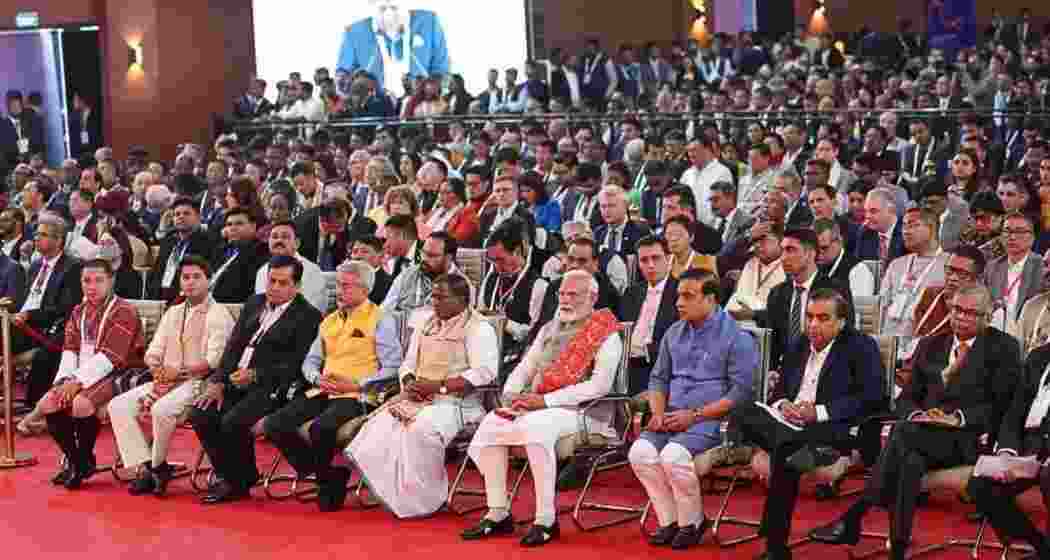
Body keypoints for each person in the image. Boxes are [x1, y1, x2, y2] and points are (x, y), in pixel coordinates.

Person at [809, 285, 1021, 560]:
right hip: (920, 435)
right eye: (957, 310)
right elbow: (907, 398)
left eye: (972, 313)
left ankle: (856, 515)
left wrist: (957, 418)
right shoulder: (931, 344)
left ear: (988, 315)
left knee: (903, 435)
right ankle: (898, 546)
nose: (962, 318)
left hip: (968, 437)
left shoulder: (1003, 347)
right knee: (909, 457)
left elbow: (1003, 406)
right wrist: (918, 415)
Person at [460, 270, 623, 546]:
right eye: (562, 294)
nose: (565, 300)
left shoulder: (605, 332)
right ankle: (498, 512)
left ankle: (545, 520)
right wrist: (511, 394)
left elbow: (599, 387)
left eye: (573, 294)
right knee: (492, 423)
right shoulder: (550, 328)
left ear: (592, 297)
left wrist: (546, 401)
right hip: (538, 406)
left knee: (537, 428)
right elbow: (526, 367)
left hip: (585, 413)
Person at [730, 289, 884, 560]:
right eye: (809, 317)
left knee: (786, 456)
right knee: (743, 411)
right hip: (787, 426)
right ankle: (799, 448)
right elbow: (780, 392)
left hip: (828, 426)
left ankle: (776, 547)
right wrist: (783, 405)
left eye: (823, 318)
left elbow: (872, 398)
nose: (813, 324)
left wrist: (819, 412)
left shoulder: (861, 346)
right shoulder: (800, 343)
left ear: (841, 322)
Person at [349, 273, 499, 518]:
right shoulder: (426, 323)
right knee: (380, 427)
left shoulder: (479, 328)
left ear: (462, 299)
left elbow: (484, 374)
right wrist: (409, 382)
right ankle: (401, 495)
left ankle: (430, 499)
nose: (435, 302)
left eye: (441, 297)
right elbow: (407, 363)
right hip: (418, 397)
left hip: (457, 404)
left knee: (420, 429)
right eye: (433, 297)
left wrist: (438, 387)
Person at [629, 269, 758, 549]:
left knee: (673, 456)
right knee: (639, 453)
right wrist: (659, 413)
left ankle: (692, 522)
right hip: (672, 415)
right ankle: (669, 521)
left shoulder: (737, 337)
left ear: (711, 299)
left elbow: (740, 393)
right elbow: (658, 378)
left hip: (713, 420)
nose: (678, 303)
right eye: (678, 296)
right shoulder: (674, 332)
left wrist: (696, 415)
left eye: (688, 296)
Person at [263, 260, 398, 511]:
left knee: (321, 428)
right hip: (322, 389)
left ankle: (325, 480)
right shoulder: (329, 320)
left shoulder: (380, 318)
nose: (339, 291)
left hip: (357, 395)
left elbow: (393, 367)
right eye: (337, 285)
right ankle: (325, 475)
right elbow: (310, 361)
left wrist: (357, 383)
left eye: (346, 286)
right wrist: (315, 377)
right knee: (274, 425)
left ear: (365, 290)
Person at [189, 256, 323, 504]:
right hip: (234, 379)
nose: (274, 287)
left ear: (297, 286)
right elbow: (233, 346)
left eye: (283, 283)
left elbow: (295, 365)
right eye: (271, 280)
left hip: (272, 386)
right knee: (200, 413)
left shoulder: (309, 316)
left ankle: (236, 482)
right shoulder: (255, 302)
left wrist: (256, 375)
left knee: (232, 421)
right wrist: (218, 381)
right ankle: (234, 474)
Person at [108, 256, 235, 496]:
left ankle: (156, 468)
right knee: (118, 406)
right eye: (186, 277)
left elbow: (215, 360)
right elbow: (154, 350)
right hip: (165, 379)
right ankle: (149, 467)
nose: (190, 282)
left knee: (161, 410)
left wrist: (180, 372)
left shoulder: (219, 314)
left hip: (198, 382)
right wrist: (156, 368)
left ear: (209, 281)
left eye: (197, 277)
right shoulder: (173, 312)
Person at [40, 259, 145, 490]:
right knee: (49, 402)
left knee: (80, 404)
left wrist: (76, 383)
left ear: (111, 281)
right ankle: (79, 462)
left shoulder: (124, 310)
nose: (92, 286)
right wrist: (65, 380)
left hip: (120, 371)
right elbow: (70, 348)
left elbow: (112, 357)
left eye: (99, 280)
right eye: (86, 281)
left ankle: (81, 461)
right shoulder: (79, 311)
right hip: (83, 373)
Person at [966, 339, 1050, 558]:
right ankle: (1039, 545)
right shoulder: (1038, 357)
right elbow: (1014, 413)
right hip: (1025, 446)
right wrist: (1007, 453)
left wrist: (1043, 457)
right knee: (980, 484)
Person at [759, 228, 852, 371]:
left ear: (810, 254)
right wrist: (770, 373)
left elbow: (845, 338)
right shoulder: (777, 294)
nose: (783, 258)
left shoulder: (835, 290)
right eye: (782, 250)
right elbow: (773, 346)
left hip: (825, 369)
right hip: (785, 372)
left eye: (790, 250)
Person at [336, 0, 450, 96]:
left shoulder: (429, 23)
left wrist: (431, 90)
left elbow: (442, 70)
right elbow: (343, 78)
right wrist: (346, 82)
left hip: (420, 107)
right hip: (375, 110)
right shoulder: (354, 33)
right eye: (382, 8)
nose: (389, 14)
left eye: (394, 8)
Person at [479, 218, 548, 374]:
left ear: (517, 251)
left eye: (500, 260)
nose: (496, 266)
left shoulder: (538, 286)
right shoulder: (490, 280)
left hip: (518, 362)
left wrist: (505, 324)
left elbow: (536, 336)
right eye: (492, 261)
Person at [620, 235, 680, 395]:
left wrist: (645, 350)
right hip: (625, 364)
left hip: (660, 367)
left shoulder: (681, 292)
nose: (650, 265)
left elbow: (682, 340)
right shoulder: (631, 292)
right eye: (644, 260)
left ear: (669, 258)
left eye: (656, 258)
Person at [879, 208, 948, 335]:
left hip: (924, 344)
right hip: (889, 342)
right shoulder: (896, 265)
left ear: (931, 229)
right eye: (904, 226)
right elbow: (881, 307)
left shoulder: (949, 265)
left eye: (912, 225)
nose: (905, 231)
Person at [985, 212, 1048, 334]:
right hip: (995, 332)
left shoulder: (1042, 266)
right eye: (1007, 231)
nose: (1012, 237)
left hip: (1028, 332)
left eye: (1019, 232)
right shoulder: (992, 267)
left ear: (1032, 238)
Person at [147, 197, 214, 301]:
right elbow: (156, 272)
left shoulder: (207, 242)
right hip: (158, 298)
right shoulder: (168, 242)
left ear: (198, 217)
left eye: (186, 213)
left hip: (186, 298)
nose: (181, 217)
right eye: (177, 214)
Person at [254, 221, 327, 314]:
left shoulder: (312, 271)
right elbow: (261, 307)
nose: (279, 241)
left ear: (297, 243)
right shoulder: (262, 271)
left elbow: (313, 311)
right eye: (274, 237)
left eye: (285, 237)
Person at [727, 226, 786, 320]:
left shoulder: (789, 269)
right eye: (755, 241)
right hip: (732, 321)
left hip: (764, 327)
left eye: (764, 240)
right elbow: (724, 254)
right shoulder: (748, 260)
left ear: (781, 242)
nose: (758, 245)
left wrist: (754, 315)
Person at [210, 208, 268, 304]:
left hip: (237, 307)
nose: (233, 228)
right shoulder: (219, 250)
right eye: (229, 224)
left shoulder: (261, 252)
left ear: (253, 226)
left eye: (239, 223)